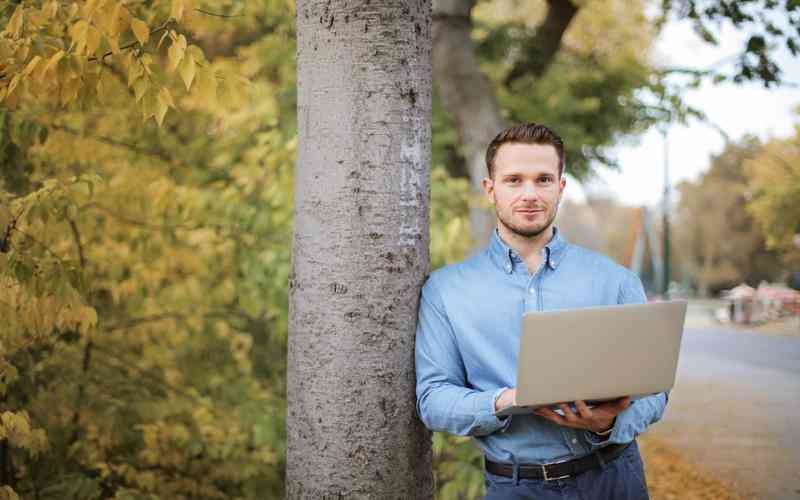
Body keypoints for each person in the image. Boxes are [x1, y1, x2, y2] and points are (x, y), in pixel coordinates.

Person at [415, 123, 667, 499]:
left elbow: (654, 390)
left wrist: (606, 425)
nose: (529, 194)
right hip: (516, 488)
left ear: (560, 187)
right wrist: (507, 400)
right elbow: (433, 399)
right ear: (490, 189)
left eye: (543, 179)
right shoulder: (446, 291)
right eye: (514, 180)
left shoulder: (615, 280)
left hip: (615, 479)